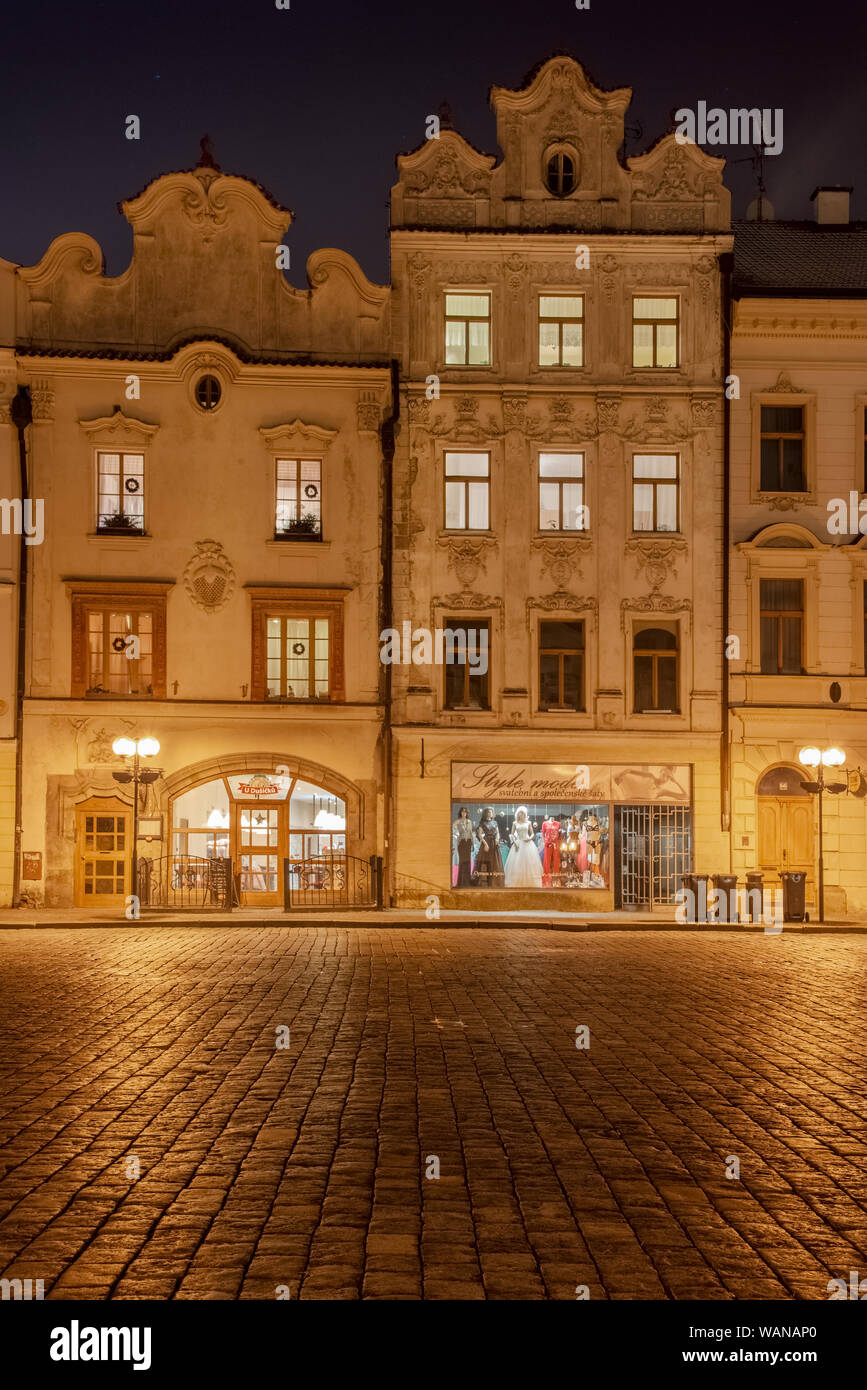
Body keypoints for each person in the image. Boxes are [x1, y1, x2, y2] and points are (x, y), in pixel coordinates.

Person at [504, 805, 543, 888]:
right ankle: (517, 883)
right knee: (517, 864)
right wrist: (514, 843)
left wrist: (530, 838)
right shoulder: (515, 823)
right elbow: (511, 834)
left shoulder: (528, 823)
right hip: (518, 843)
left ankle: (529, 883)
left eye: (521, 813)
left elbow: (532, 833)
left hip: (527, 843)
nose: (520, 815)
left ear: (524, 814)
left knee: (529, 864)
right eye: (519, 813)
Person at [474, 806, 504, 887]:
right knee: (485, 863)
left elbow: (498, 832)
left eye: (491, 812)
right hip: (486, 843)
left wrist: (497, 838)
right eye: (488, 812)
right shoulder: (482, 823)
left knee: (495, 863)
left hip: (494, 844)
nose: (490, 813)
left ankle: (495, 883)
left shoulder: (495, 822)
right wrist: (485, 844)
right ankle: (484, 883)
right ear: (485, 813)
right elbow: (480, 835)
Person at [452, 806, 474, 887]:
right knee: (462, 861)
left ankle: (467, 881)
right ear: (460, 812)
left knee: (468, 862)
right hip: (461, 843)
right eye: (462, 811)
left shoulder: (469, 821)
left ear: (467, 813)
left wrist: (473, 844)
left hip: (468, 842)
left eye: (465, 811)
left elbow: (471, 833)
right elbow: (451, 829)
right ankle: (461, 882)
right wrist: (456, 835)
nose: (464, 813)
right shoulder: (457, 821)